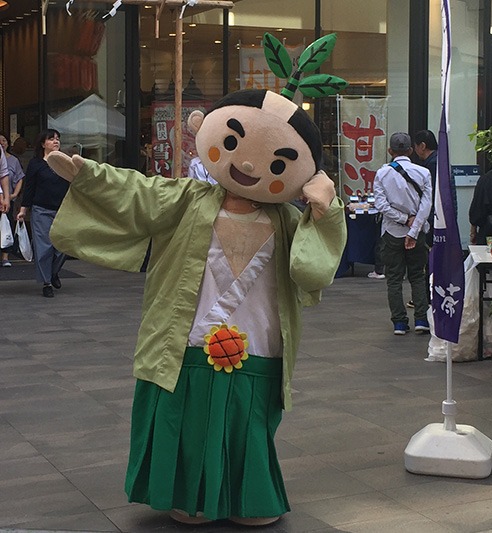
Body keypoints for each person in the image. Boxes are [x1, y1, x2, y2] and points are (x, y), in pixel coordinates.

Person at [47, 89, 345, 526]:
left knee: (248, 423)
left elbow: (314, 270)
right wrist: (89, 175)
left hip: (259, 338)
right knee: (182, 420)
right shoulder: (187, 198)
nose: (247, 165)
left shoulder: (288, 221)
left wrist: (327, 209)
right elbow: (139, 192)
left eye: (278, 165)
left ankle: (248, 499)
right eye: (234, 145)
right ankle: (186, 494)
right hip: (184, 335)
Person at [374, 132, 433, 335]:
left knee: (394, 279)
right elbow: (427, 205)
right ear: (410, 150)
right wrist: (414, 227)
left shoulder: (382, 174)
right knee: (417, 276)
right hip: (417, 233)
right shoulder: (423, 172)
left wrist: (402, 219)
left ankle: (399, 322)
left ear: (390, 151)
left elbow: (381, 205)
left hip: (391, 232)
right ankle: (421, 319)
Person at [16, 129, 69, 297]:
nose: (56, 141)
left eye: (58, 139)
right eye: (51, 139)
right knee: (44, 247)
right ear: (42, 143)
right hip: (41, 210)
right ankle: (47, 283)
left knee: (63, 246)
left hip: (63, 210)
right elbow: (29, 188)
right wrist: (23, 210)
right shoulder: (36, 164)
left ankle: (53, 272)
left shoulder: (65, 162)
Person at [1, 134, 25, 267]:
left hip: (6, 199)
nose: (1, 143)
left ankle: (5, 256)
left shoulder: (13, 160)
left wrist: (13, 194)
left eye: (4, 140)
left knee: (6, 226)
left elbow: (19, 177)